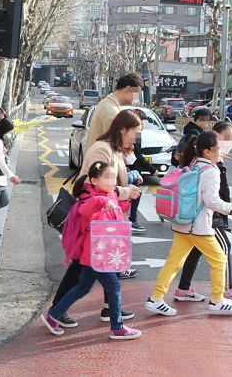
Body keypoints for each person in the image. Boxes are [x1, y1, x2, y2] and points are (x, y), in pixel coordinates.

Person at [50, 110, 143, 327]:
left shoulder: (116, 149)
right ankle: (57, 309)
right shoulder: (103, 149)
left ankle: (110, 309)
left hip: (104, 220)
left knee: (107, 261)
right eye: (135, 132)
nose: (136, 137)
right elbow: (98, 185)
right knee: (80, 268)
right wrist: (124, 191)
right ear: (123, 129)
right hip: (92, 218)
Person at [144, 131, 232, 316]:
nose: (221, 153)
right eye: (219, 150)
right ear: (208, 152)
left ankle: (156, 298)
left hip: (182, 223)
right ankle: (217, 300)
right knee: (219, 259)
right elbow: (212, 201)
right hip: (198, 227)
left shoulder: (192, 165)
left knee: (173, 262)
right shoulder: (211, 171)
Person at [41, 162, 141, 340]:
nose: (112, 181)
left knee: (82, 287)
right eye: (107, 177)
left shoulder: (108, 194)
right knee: (114, 287)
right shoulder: (90, 197)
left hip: (96, 254)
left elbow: (114, 213)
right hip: (98, 254)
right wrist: (103, 202)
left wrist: (123, 202)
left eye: (113, 177)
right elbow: (85, 210)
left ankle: (53, 314)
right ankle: (117, 327)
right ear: (94, 180)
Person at [173, 122, 232, 304]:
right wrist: (230, 209)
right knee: (224, 247)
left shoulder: (210, 160)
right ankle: (226, 290)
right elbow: (211, 196)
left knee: (193, 252)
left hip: (200, 214)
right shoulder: (209, 164)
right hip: (208, 214)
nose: (230, 142)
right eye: (227, 138)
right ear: (214, 140)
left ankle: (183, 289)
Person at [84, 72, 142, 151]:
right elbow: (113, 144)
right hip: (102, 159)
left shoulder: (107, 103)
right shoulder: (111, 110)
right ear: (128, 89)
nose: (137, 97)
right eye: (136, 93)